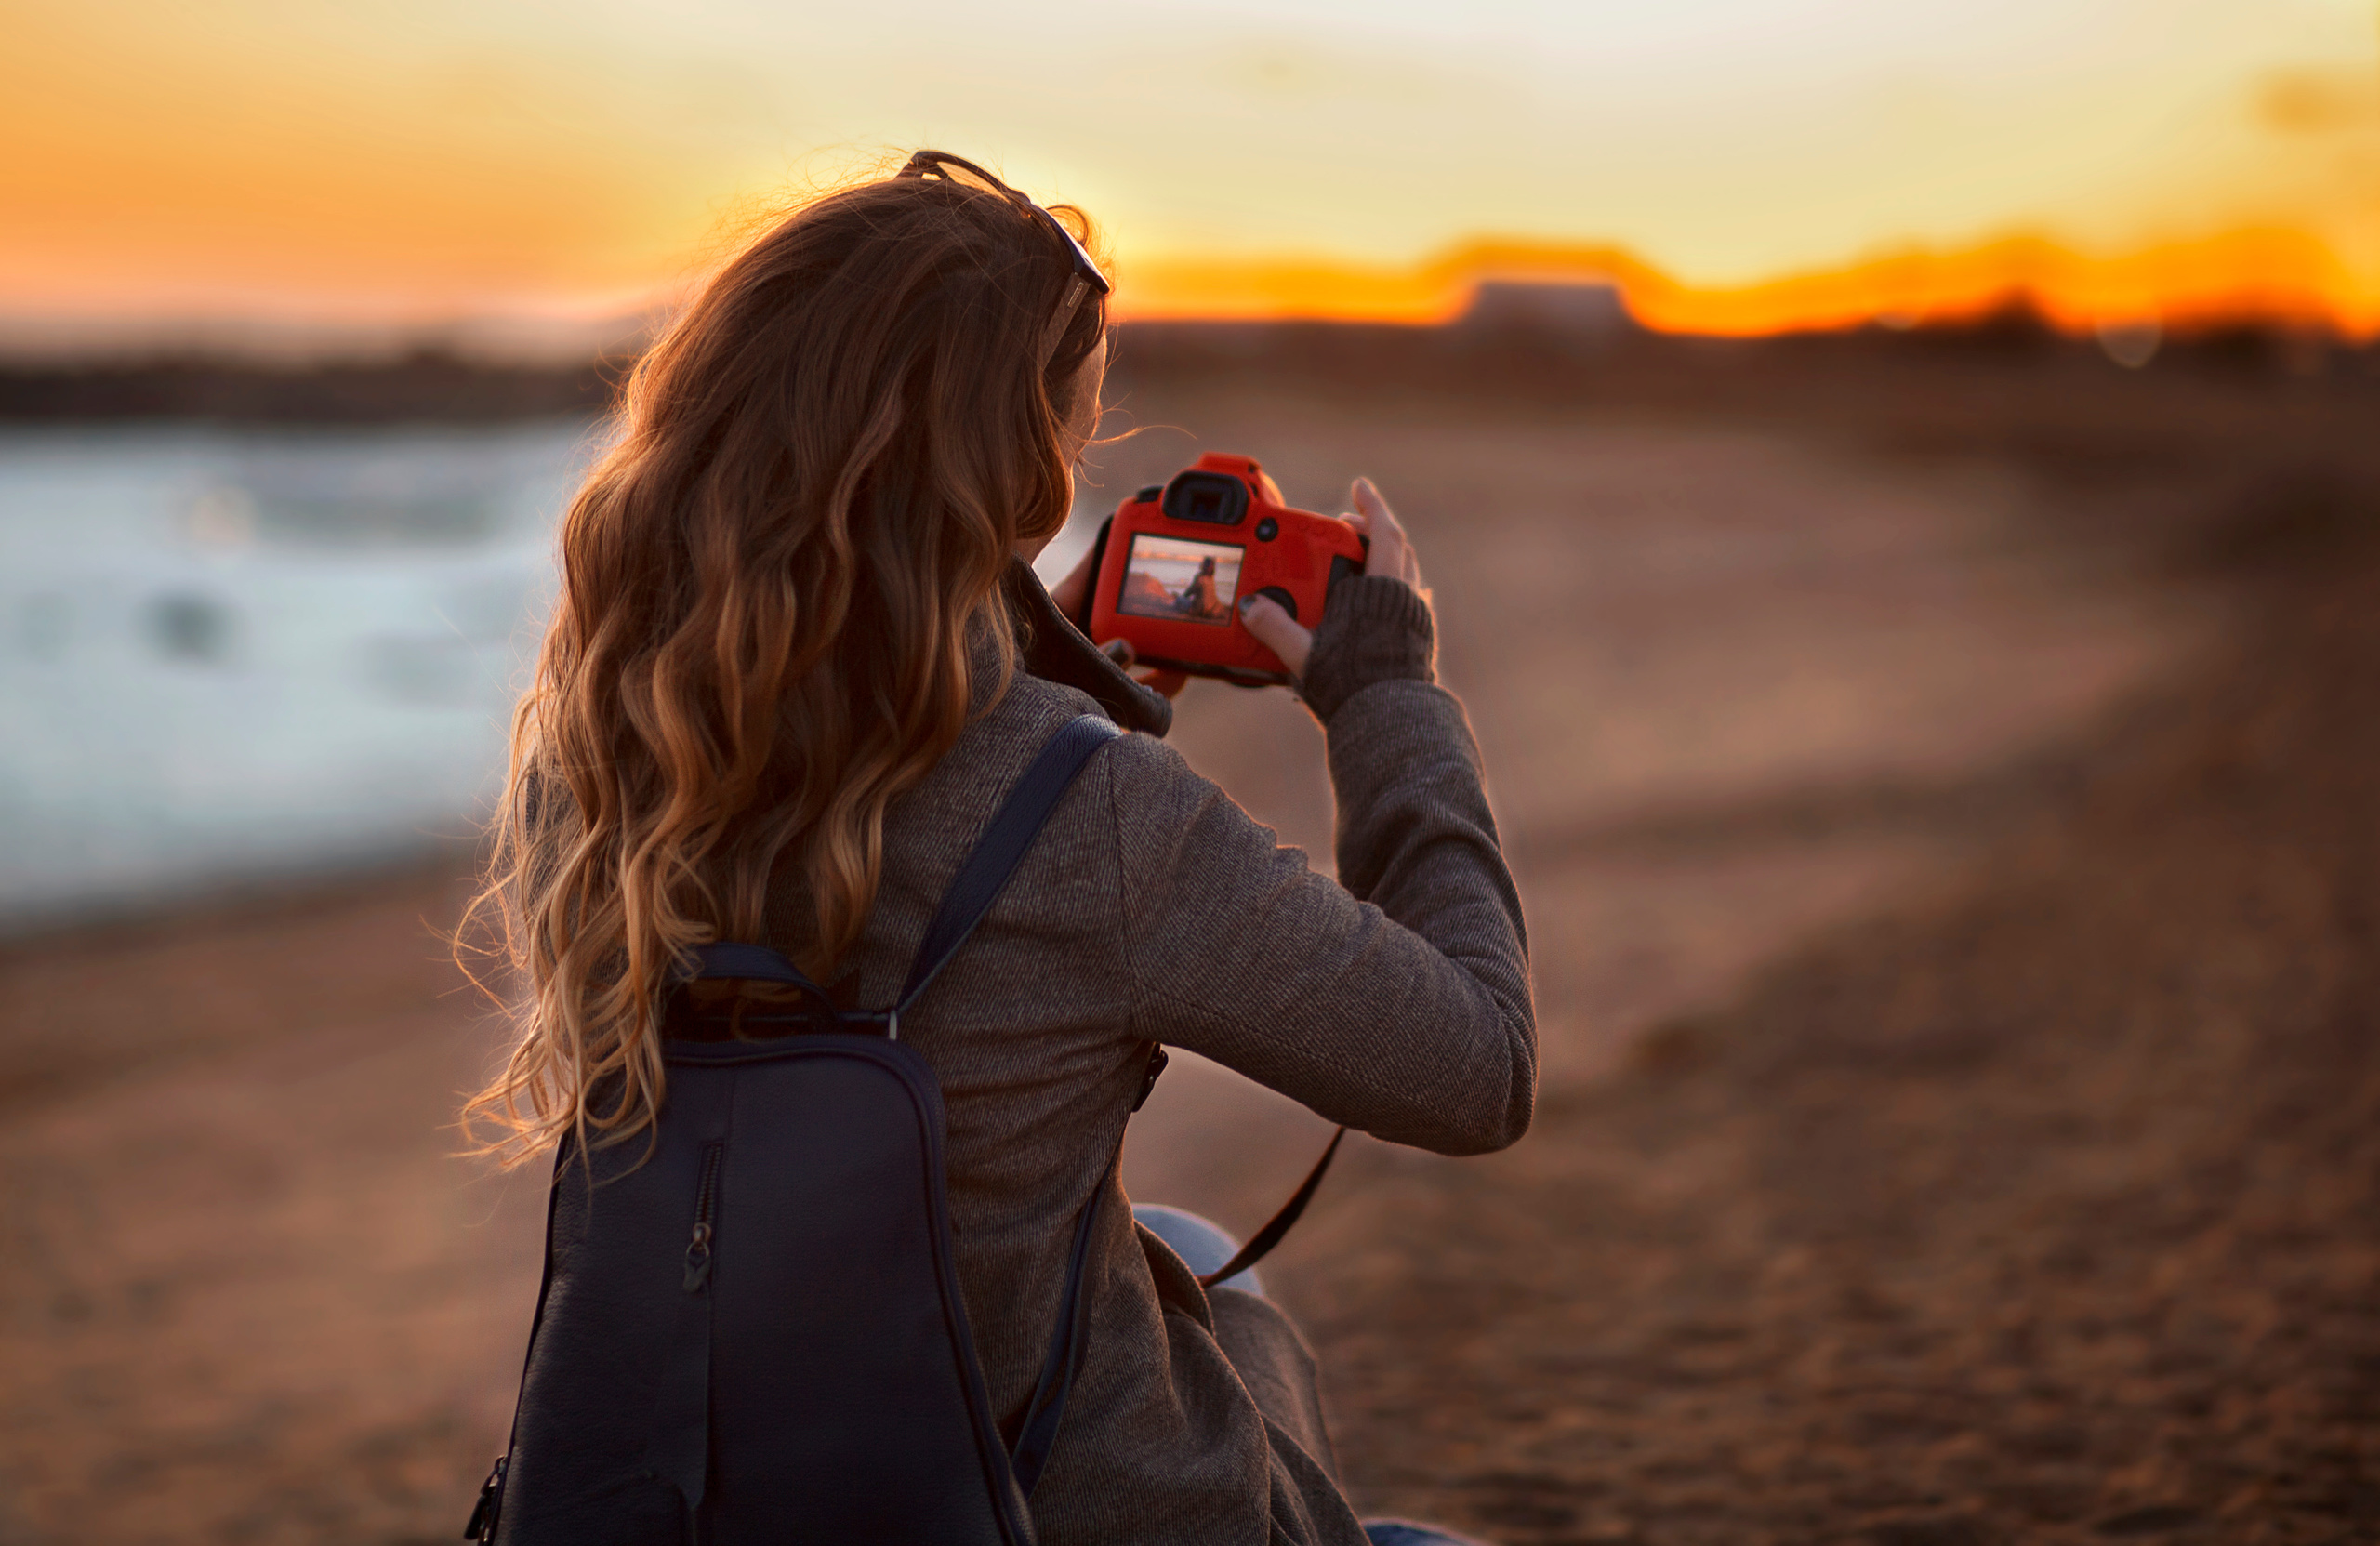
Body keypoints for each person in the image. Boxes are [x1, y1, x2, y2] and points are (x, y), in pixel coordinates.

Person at [465, 151, 1531, 1546]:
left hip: (722, 1500)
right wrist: (1387, 694)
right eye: (1072, 438)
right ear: (1011, 477)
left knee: (1195, 1253)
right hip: (1031, 1516)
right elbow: (1475, 1065)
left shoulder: (611, 756)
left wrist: (1051, 669)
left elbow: (870, 806)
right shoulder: (1093, 815)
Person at [1174, 552, 1228, 620]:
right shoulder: (1211, 578)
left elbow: (1189, 592)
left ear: (1203, 565)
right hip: (1211, 610)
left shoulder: (1200, 578)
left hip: (1198, 610)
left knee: (1179, 599)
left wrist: (1182, 597)